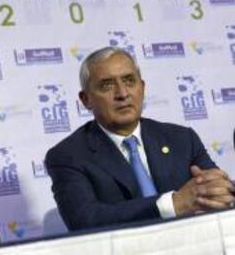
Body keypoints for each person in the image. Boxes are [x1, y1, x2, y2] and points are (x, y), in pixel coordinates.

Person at [45, 47, 235, 231]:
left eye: (129, 81)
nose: (122, 94)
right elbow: (84, 221)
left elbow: (220, 190)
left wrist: (221, 192)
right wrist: (171, 204)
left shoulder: (182, 139)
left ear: (142, 88)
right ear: (86, 99)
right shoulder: (68, 156)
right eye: (107, 85)